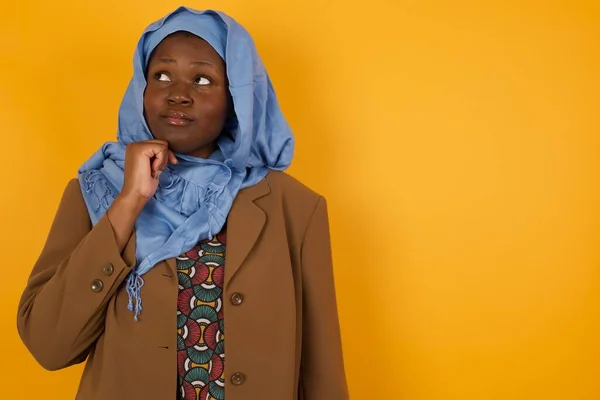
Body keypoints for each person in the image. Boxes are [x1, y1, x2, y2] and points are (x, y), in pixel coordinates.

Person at [16, 6, 348, 400]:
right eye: (161, 75)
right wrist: (129, 202)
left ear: (236, 97)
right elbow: (48, 345)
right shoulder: (95, 192)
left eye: (203, 79)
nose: (178, 94)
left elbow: (322, 372)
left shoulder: (294, 207)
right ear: (141, 86)